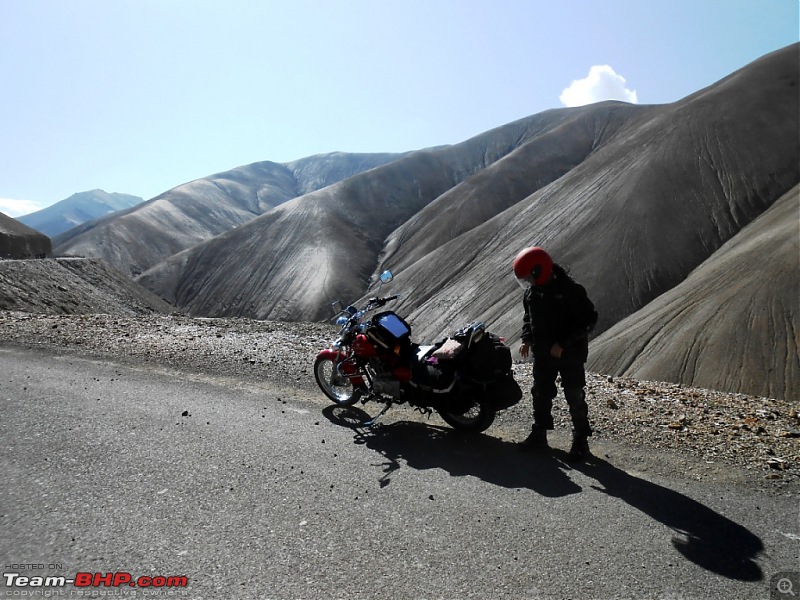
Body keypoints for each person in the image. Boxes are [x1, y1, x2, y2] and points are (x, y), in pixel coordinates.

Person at [513, 246, 598, 460]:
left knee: (574, 395)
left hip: (570, 355)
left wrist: (563, 343)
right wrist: (526, 339)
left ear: (538, 270)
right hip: (543, 354)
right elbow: (528, 319)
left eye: (528, 277)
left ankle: (581, 441)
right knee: (540, 393)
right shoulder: (532, 293)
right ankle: (539, 434)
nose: (527, 283)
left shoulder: (571, 291)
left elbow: (589, 320)